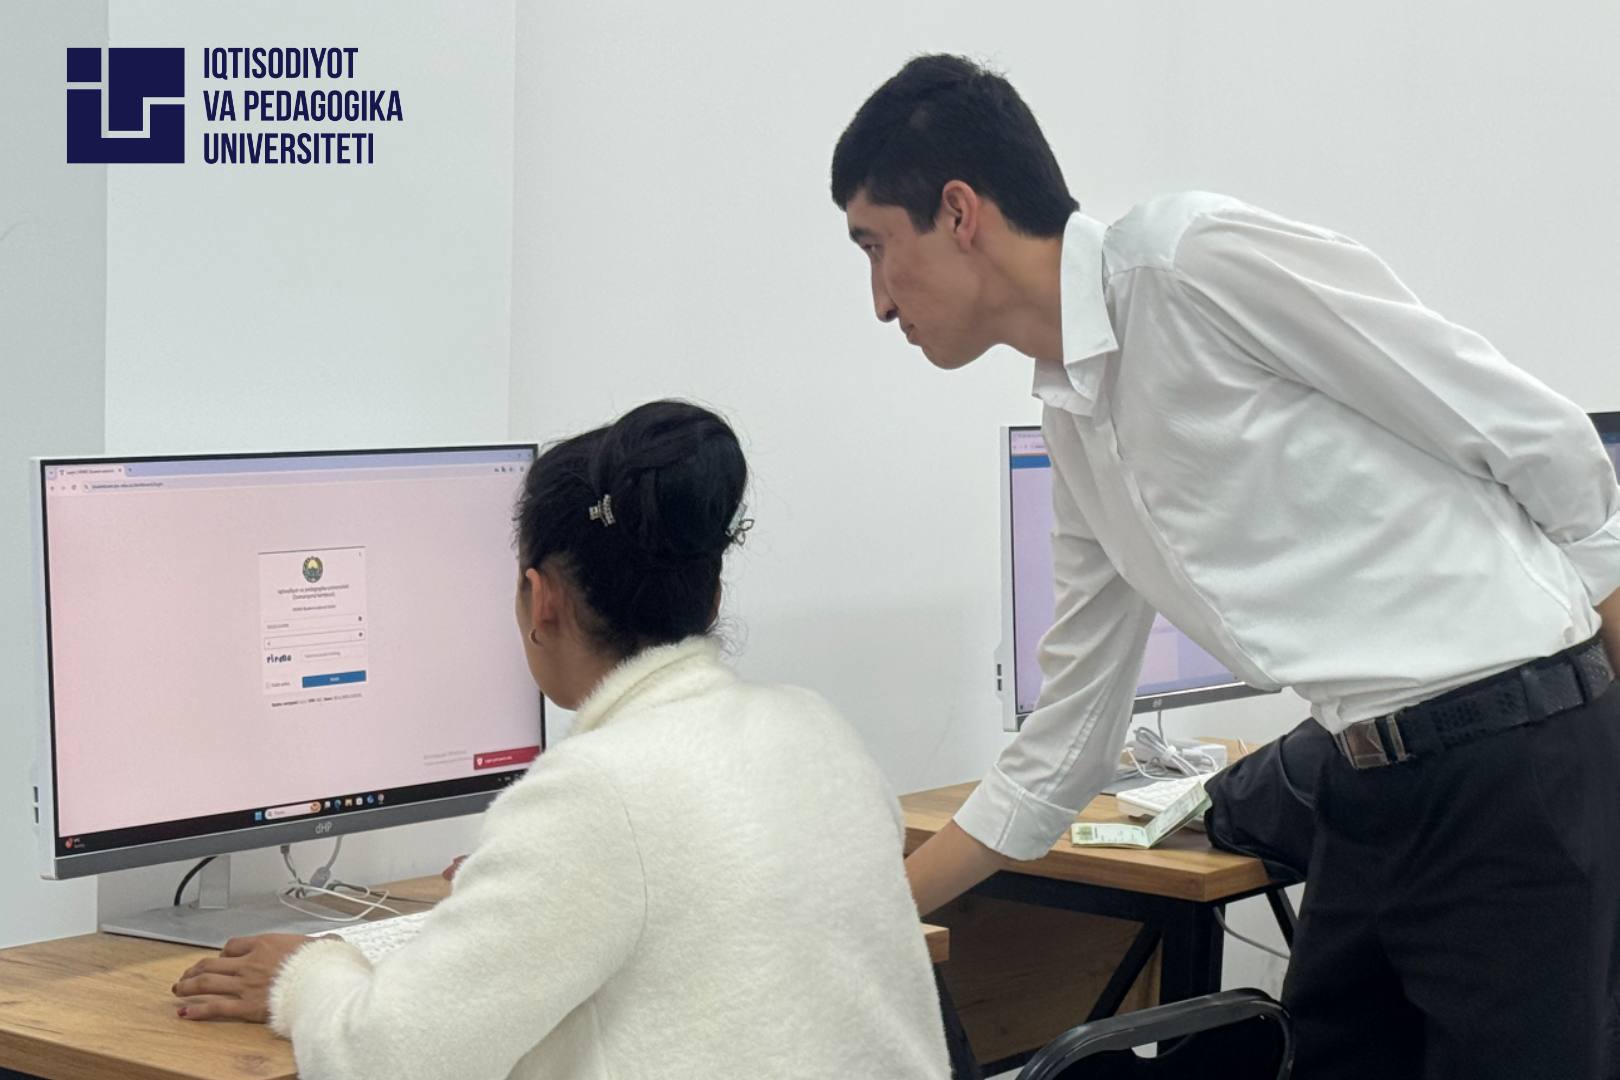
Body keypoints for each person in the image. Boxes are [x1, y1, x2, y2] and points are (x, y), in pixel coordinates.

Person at [830, 53, 1620, 1079]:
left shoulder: (1188, 263)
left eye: (876, 246)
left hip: (1512, 761)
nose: (878, 302)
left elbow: (1532, 434)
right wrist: (863, 915)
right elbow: (1062, 748)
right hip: (1364, 781)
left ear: (958, 211)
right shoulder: (1076, 430)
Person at [171, 400, 951, 1080]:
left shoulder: (596, 794)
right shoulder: (819, 729)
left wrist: (306, 975)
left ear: (539, 598)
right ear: (712, 596)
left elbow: (385, 1061)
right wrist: (527, 883)